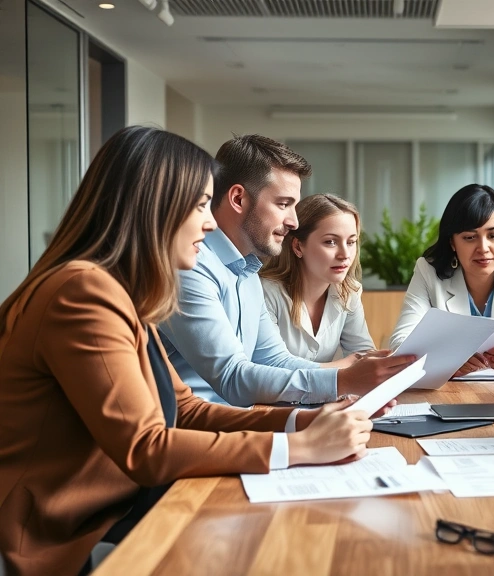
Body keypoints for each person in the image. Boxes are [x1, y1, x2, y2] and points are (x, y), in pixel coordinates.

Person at [0, 127, 376, 575]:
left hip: (116, 510)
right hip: (58, 538)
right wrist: (295, 448)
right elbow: (146, 447)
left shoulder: (121, 292)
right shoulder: (83, 292)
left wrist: (300, 421)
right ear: (154, 207)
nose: (211, 222)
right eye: (200, 205)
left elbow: (186, 408)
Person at [158, 134, 414, 406]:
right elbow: (232, 377)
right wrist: (344, 381)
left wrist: (351, 381)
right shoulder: (190, 267)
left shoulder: (247, 273)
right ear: (237, 198)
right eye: (283, 204)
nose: (293, 222)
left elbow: (275, 360)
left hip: (243, 423)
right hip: (197, 432)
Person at [389, 184, 494, 374]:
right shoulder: (428, 271)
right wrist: (448, 358)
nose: (483, 247)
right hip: (449, 394)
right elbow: (400, 344)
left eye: (493, 235)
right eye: (470, 237)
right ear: (452, 242)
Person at [260, 194, 376, 362]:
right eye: (330, 242)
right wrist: (348, 365)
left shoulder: (349, 291)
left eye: (351, 242)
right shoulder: (266, 292)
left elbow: (363, 355)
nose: (345, 255)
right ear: (298, 246)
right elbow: (272, 367)